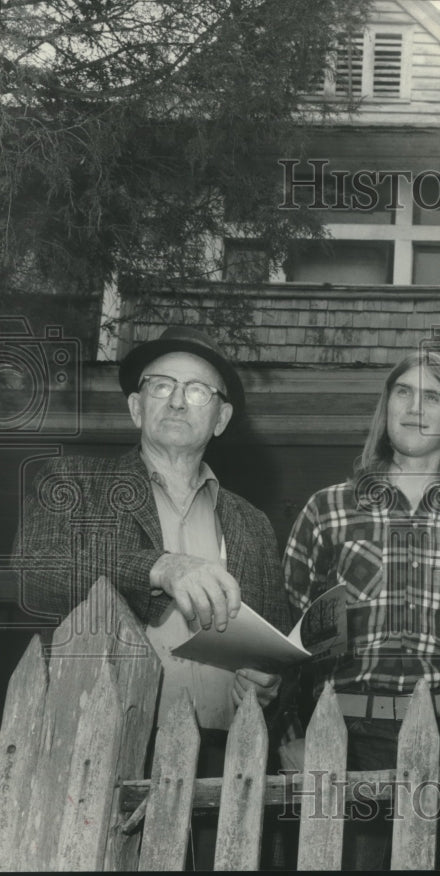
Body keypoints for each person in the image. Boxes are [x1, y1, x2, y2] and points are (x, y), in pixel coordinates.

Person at [13, 325, 290, 868]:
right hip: (102, 751)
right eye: (162, 385)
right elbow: (33, 572)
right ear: (137, 407)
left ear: (221, 418)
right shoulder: (71, 482)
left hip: (221, 758)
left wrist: (271, 681)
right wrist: (159, 567)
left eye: (197, 390)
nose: (179, 400)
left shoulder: (253, 524)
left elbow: (275, 643)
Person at [283, 349, 440, 870]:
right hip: (350, 738)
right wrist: (290, 733)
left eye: (432, 396)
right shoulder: (328, 509)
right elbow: (288, 635)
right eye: (402, 392)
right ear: (385, 408)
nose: (414, 407)